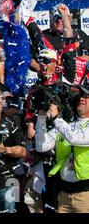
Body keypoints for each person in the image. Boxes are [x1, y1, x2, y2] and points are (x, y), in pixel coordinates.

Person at [34, 85, 89, 213]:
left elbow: (74, 138)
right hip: (64, 194)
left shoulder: (63, 125)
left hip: (85, 195)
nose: (82, 99)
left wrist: (56, 118)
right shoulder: (67, 125)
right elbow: (41, 146)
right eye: (81, 96)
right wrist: (42, 117)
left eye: (87, 97)